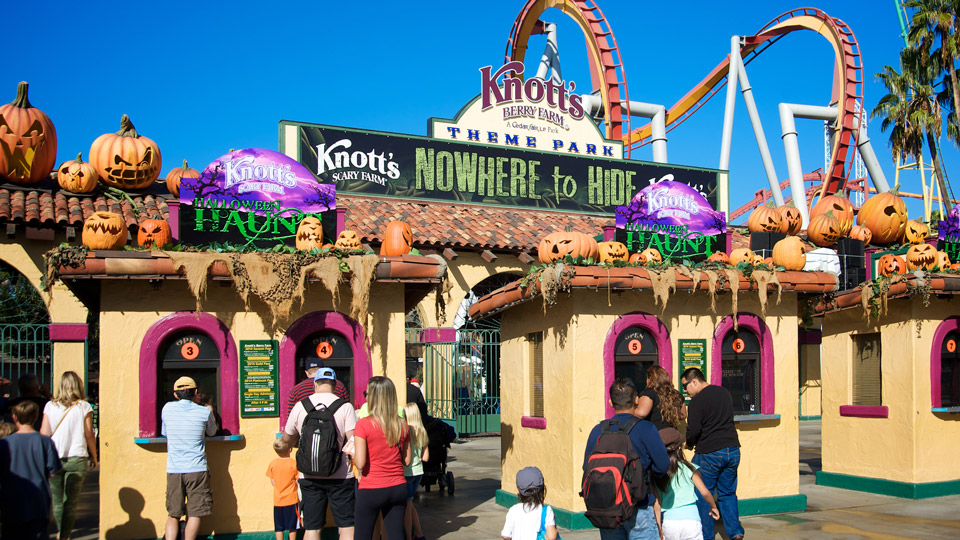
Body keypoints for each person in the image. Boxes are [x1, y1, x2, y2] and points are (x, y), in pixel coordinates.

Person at [583, 377, 669, 540]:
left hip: (608, 509)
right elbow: (662, 466)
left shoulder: (597, 431)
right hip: (640, 505)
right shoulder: (646, 428)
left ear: (610, 402)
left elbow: (586, 467)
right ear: (637, 400)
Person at [282, 367, 357, 540]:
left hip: (308, 475)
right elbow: (353, 441)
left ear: (315, 384)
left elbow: (287, 438)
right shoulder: (345, 406)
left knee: (312, 527)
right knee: (346, 525)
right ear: (335, 385)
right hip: (341, 475)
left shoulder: (301, 405)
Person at [680, 368, 743, 540]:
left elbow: (694, 430)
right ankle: (735, 532)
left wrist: (689, 443)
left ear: (694, 381)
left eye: (685, 386)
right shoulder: (724, 392)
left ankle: (706, 536)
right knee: (728, 493)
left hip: (710, 452)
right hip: (732, 450)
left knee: (703, 494)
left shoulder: (696, 402)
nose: (685, 391)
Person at [40, 371, 99, 540]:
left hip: (54, 458)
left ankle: (61, 531)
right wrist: (93, 456)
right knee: (71, 501)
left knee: (57, 501)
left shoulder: (50, 406)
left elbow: (44, 433)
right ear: (78, 385)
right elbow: (89, 434)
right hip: (77, 457)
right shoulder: (84, 407)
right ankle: (65, 535)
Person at [352, 376, 411, 540]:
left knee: (363, 535)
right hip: (397, 487)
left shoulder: (363, 425)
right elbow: (406, 461)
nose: (365, 396)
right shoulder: (402, 425)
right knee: (395, 535)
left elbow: (361, 463)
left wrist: (353, 454)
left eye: (367, 393)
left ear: (373, 397)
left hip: (371, 487)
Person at [161, 376, 218, 540]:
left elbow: (164, 433)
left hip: (174, 469)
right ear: (195, 393)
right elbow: (212, 431)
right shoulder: (203, 411)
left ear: (176, 394)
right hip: (196, 468)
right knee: (195, 513)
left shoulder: (167, 409)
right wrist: (211, 409)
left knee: (173, 514)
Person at [0, 400, 62, 539]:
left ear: (14, 417)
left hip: (11, 501)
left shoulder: (4, 443)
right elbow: (53, 472)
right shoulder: (45, 442)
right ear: (36, 417)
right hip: (38, 501)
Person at [652, 428, 720, 540]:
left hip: (669, 523)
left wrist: (658, 526)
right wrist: (713, 506)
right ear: (679, 448)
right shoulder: (688, 468)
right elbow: (705, 492)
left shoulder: (657, 473)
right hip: (691, 521)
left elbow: (657, 505)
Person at [501, 466, 558, 540]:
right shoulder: (546, 511)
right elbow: (551, 537)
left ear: (518, 492)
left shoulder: (513, 510)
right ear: (542, 490)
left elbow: (505, 535)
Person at [402, 402, 429, 540]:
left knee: (407, 507)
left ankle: (409, 536)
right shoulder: (422, 431)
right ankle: (420, 534)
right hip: (418, 471)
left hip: (406, 471)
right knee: (410, 504)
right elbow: (426, 457)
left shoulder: (406, 431)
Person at [266, 439, 300, 540]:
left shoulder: (273, 464)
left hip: (278, 500)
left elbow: (272, 481)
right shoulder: (293, 463)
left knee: (278, 527)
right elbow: (298, 480)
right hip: (291, 499)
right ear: (290, 449)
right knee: (292, 526)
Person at [637, 366, 686, 431]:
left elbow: (641, 413)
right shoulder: (676, 394)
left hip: (655, 434)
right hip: (672, 434)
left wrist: (629, 411)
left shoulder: (649, 393)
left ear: (650, 379)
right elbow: (683, 415)